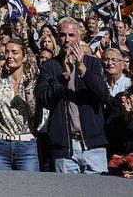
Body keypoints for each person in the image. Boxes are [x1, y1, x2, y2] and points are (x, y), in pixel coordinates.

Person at [36, 17, 109, 174]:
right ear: (57, 37)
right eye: (62, 35)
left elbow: (104, 95)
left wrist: (83, 71)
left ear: (80, 36)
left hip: (92, 146)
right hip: (64, 148)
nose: (67, 40)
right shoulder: (49, 66)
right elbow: (44, 99)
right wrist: (64, 77)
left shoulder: (92, 63)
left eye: (71, 35)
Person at [0, 38, 40, 171]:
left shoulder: (34, 81)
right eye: (7, 52)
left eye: (14, 52)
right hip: (0, 145)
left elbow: (35, 114)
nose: (9, 56)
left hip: (26, 146)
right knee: (0, 189)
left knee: (29, 189)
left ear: (24, 56)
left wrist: (28, 90)